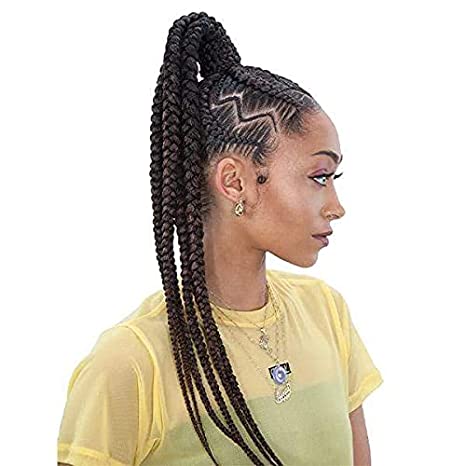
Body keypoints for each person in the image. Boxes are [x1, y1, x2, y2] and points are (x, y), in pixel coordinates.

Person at [57, 11, 383, 466]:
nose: (336, 205)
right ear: (235, 182)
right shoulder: (131, 363)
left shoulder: (326, 314)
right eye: (319, 176)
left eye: (334, 178)